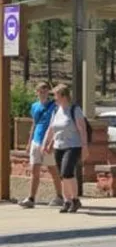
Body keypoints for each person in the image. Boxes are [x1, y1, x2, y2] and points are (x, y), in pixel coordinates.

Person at [42, 83, 89, 213]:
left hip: (73, 146)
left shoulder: (75, 110)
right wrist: (45, 143)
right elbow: (51, 129)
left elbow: (82, 129)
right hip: (59, 146)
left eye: (56, 95)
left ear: (63, 96)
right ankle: (66, 201)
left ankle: (75, 199)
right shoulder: (56, 111)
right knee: (62, 176)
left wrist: (84, 147)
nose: (54, 98)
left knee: (67, 172)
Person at [19, 82, 63, 208]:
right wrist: (29, 141)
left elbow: (55, 125)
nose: (43, 92)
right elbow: (34, 123)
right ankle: (31, 198)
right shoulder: (34, 106)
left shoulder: (54, 106)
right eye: (41, 90)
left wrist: (52, 142)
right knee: (34, 170)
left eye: (45, 89)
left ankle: (59, 196)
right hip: (36, 141)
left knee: (52, 169)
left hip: (47, 141)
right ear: (37, 92)